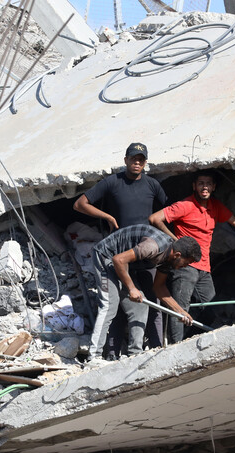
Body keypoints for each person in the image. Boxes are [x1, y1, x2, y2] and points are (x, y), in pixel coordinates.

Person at [149, 173, 235, 343]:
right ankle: (176, 346)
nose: (205, 187)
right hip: (185, 266)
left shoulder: (215, 206)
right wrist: (176, 242)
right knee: (180, 309)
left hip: (204, 268)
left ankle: (202, 340)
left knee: (211, 306)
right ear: (194, 186)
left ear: (213, 187)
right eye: (201, 183)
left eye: (208, 184)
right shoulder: (185, 205)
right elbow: (154, 219)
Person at [73, 142, 168, 355]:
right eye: (133, 158)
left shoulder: (152, 185)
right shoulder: (112, 182)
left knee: (151, 302)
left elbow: (167, 213)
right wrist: (106, 216)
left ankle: (155, 349)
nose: (137, 162)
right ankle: (111, 353)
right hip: (117, 254)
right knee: (113, 307)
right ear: (125, 160)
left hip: (145, 253)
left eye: (141, 159)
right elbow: (80, 204)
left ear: (145, 162)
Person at [88, 224, 201, 365]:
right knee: (110, 304)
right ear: (177, 255)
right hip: (107, 256)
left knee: (140, 307)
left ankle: (134, 355)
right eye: (186, 263)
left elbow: (159, 288)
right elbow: (118, 259)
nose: (184, 267)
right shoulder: (153, 247)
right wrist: (131, 288)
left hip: (123, 265)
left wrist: (180, 312)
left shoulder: (168, 260)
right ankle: (94, 356)